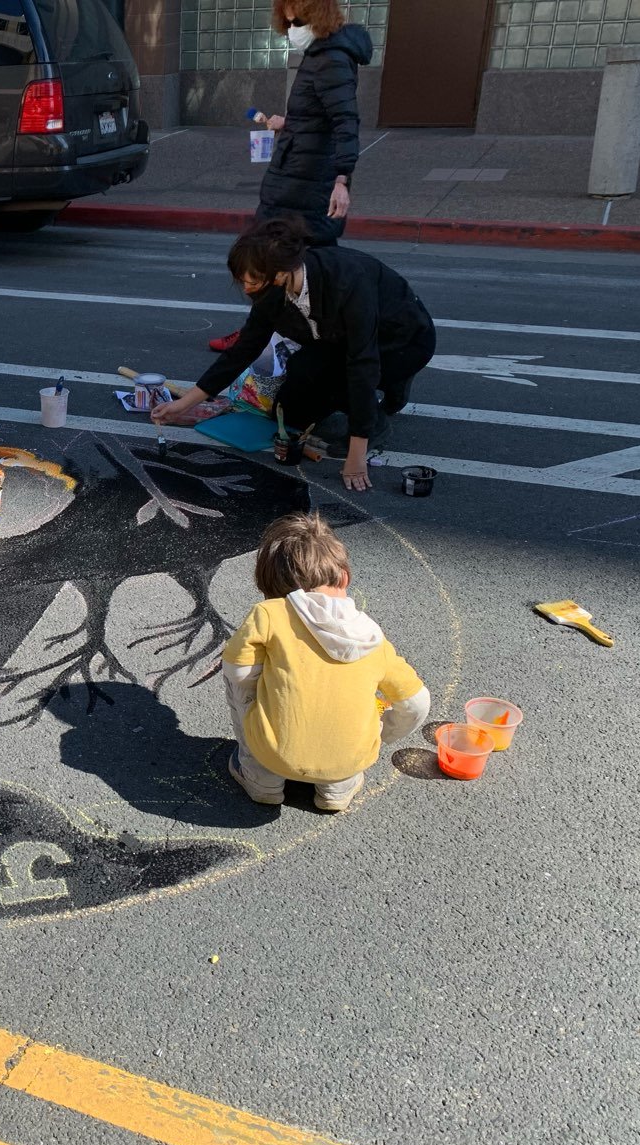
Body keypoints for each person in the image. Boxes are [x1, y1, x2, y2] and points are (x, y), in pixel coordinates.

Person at [154, 217, 436, 493]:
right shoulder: (273, 289)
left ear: (278, 273)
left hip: (400, 342)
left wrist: (356, 451)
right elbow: (243, 350)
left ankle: (377, 414)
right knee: (290, 413)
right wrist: (185, 404)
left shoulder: (346, 281)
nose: (244, 288)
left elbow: (363, 363)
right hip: (335, 339)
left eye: (249, 281)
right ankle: (371, 393)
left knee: (350, 379)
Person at [220, 512, 429, 813]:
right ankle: (336, 790)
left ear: (271, 587)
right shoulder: (371, 636)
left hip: (274, 751)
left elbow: (237, 671)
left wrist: (269, 690)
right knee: (363, 708)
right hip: (351, 757)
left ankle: (262, 780)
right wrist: (381, 733)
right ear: (344, 577)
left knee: (235, 679)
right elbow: (417, 703)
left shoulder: (269, 613)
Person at [210, 0, 370, 353]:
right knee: (276, 259)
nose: (289, 21)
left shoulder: (331, 58)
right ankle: (273, 332)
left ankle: (280, 335)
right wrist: (291, 123)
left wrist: (342, 180)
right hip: (294, 177)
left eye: (295, 13)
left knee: (279, 259)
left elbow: (346, 121)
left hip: (308, 183)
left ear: (316, 13)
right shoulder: (321, 54)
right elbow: (323, 115)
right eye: (285, 12)